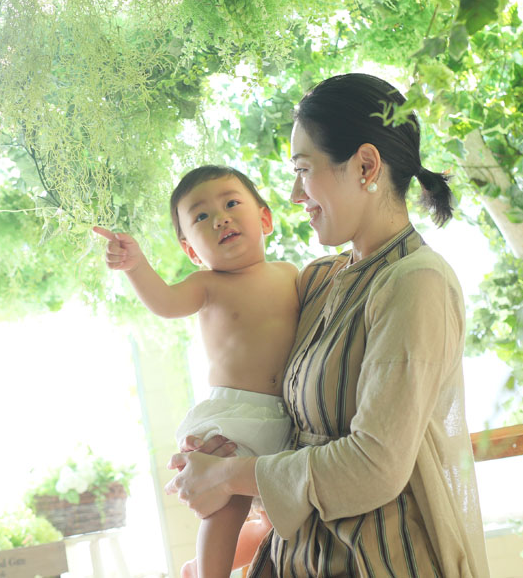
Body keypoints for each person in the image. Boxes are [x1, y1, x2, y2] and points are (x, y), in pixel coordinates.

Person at [165, 73, 490, 577]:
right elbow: (287, 435)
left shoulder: (416, 282)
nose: (295, 193)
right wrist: (224, 448)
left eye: (303, 169)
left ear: (365, 166)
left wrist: (230, 475)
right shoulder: (317, 282)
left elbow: (373, 467)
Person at [93, 165, 300, 578]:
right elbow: (165, 303)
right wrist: (135, 265)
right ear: (191, 251)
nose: (220, 218)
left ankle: (193, 569)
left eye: (231, 203)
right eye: (201, 216)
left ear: (265, 219)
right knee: (228, 506)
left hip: (285, 418)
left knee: (274, 519)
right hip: (236, 418)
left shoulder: (291, 274)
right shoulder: (207, 284)